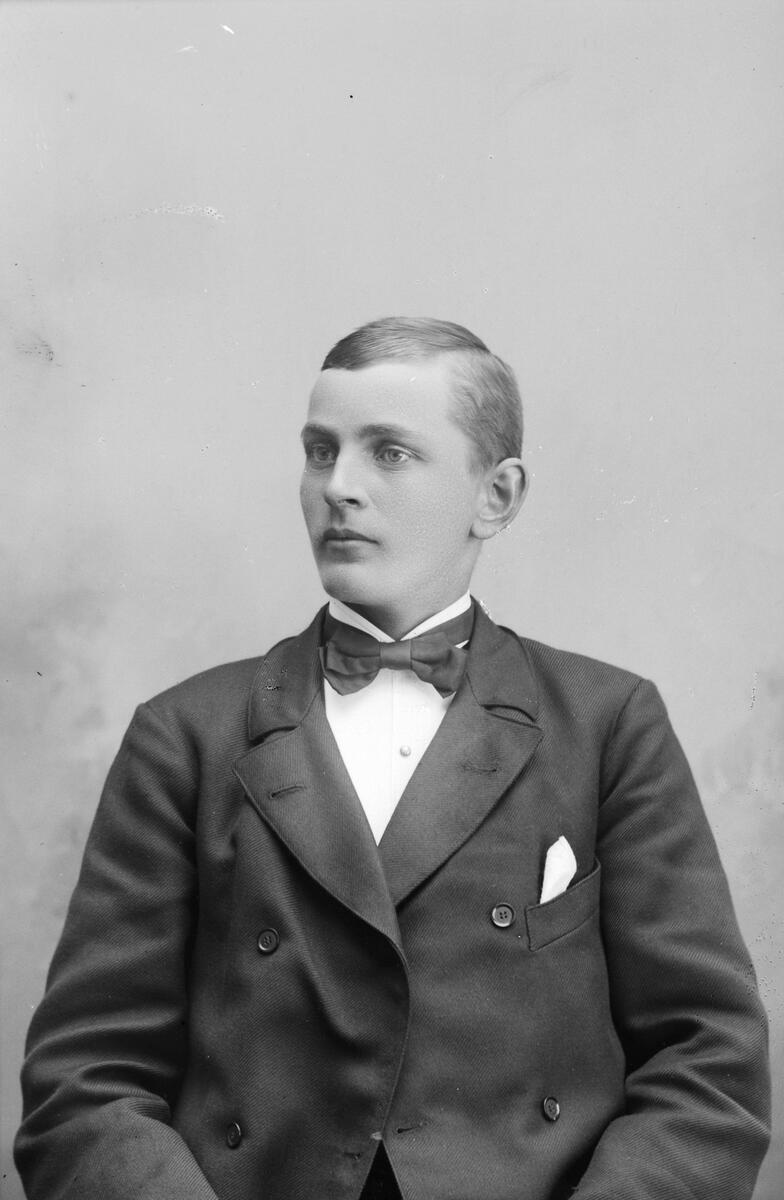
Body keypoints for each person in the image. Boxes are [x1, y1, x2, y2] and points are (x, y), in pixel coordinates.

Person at [15, 317, 770, 1200]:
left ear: (496, 496)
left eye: (390, 453)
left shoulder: (607, 724)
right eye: (320, 451)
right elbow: (86, 1080)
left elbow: (708, 1059)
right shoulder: (187, 735)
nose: (339, 487)